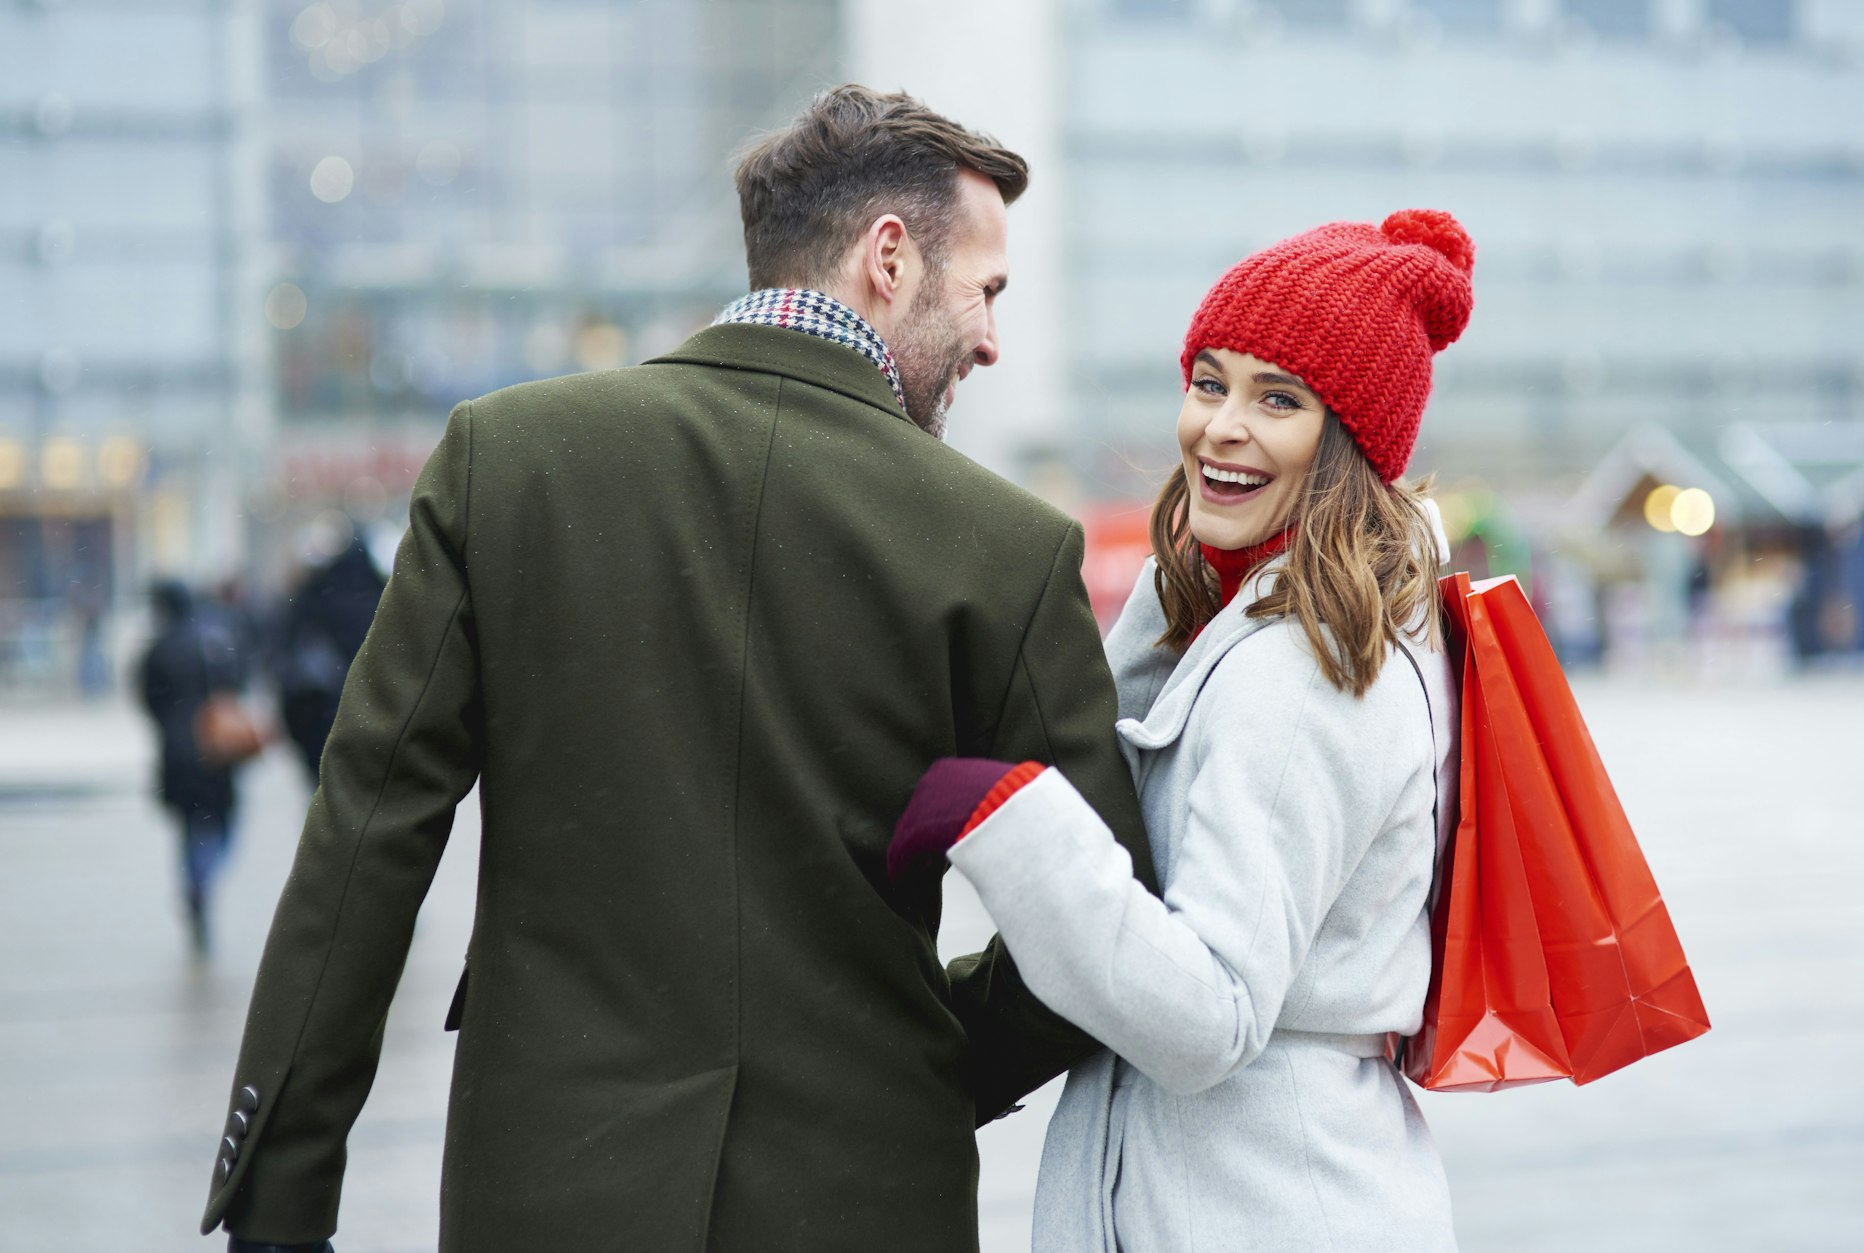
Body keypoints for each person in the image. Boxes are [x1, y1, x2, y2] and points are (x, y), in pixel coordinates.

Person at [199, 85, 1155, 1252]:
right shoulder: (1004, 545)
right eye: (986, 291)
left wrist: (280, 1203)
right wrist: (931, 1051)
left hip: (550, 1190)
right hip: (867, 1196)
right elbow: (1107, 916)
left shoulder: (507, 463)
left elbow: (364, 842)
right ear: (888, 260)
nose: (993, 339)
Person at [891, 210, 1475, 1250]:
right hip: (1267, 1180)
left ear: (1346, 441)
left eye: (1277, 399)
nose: (1219, 426)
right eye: (1208, 381)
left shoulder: (1303, 668)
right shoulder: (1249, 615)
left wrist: (1004, 820)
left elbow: (1208, 1015)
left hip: (1264, 1197)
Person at [138, 579, 248, 954]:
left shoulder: (159, 645)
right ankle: (203, 877)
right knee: (222, 825)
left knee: (190, 828)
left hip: (176, 750)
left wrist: (173, 722)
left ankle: (195, 880)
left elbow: (148, 697)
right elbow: (236, 681)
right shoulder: (212, 639)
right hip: (215, 746)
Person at [273, 529, 386, 782]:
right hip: (369, 718)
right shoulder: (382, 599)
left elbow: (286, 655)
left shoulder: (314, 594)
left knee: (324, 789)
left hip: (320, 716)